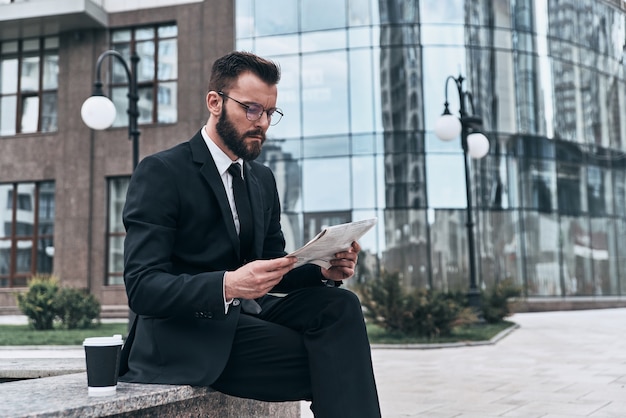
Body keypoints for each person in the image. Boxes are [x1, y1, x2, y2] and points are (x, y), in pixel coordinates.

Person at [119, 51, 381, 417]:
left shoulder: (261, 179)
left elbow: (274, 266)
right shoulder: (162, 172)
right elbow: (142, 287)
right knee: (334, 359)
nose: (263, 123)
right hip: (187, 332)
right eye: (252, 110)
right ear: (215, 102)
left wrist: (322, 269)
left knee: (341, 306)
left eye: (271, 113)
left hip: (247, 317)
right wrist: (226, 285)